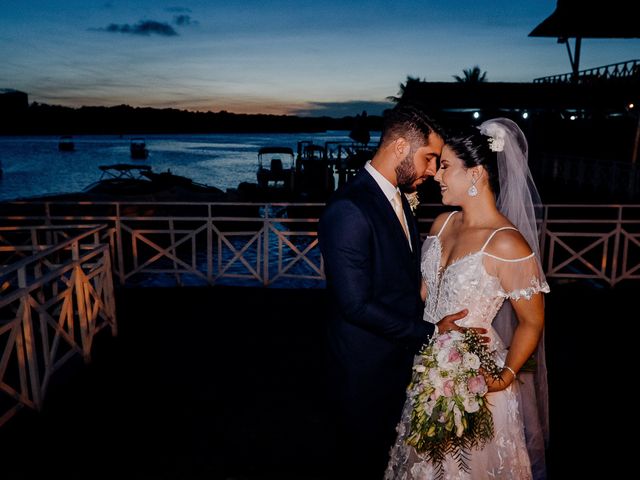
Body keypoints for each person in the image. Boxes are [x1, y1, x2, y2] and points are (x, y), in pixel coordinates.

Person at [385, 118, 550, 479]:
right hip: (428, 368)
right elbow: (422, 297)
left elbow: (533, 321)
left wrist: (504, 377)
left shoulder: (508, 244)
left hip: (475, 380)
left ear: (475, 174)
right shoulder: (441, 224)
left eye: (445, 166)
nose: (437, 176)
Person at [318, 103, 476, 479]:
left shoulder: (401, 199)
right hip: (363, 371)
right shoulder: (349, 209)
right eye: (430, 158)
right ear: (401, 147)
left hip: (397, 363)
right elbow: (355, 305)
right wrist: (433, 333)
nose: (433, 170)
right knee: (361, 461)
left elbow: (402, 282)